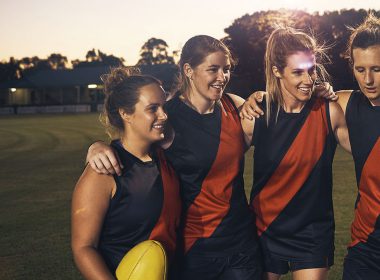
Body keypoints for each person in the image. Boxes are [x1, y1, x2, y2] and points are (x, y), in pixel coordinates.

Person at [86, 35, 263, 279]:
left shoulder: (235, 106)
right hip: (193, 250)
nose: (222, 77)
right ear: (188, 70)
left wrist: (314, 88)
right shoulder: (167, 117)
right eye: (213, 69)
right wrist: (96, 146)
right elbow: (130, 144)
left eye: (227, 69)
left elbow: (288, 122)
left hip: (242, 246)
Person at [240, 27, 351, 280]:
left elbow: (367, 152)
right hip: (263, 230)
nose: (308, 80)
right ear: (277, 71)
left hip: (312, 233)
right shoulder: (257, 115)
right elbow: (217, 161)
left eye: (311, 70)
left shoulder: (328, 111)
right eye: (298, 72)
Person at [71, 67, 181, 279]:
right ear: (125, 113)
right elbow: (84, 248)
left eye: (164, 106)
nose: (164, 115)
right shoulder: (103, 171)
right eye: (153, 109)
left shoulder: (167, 157)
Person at [335, 13, 380, 280]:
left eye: (377, 68)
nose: (368, 80)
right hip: (366, 249)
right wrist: (259, 97)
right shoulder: (343, 104)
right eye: (360, 69)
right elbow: (290, 97)